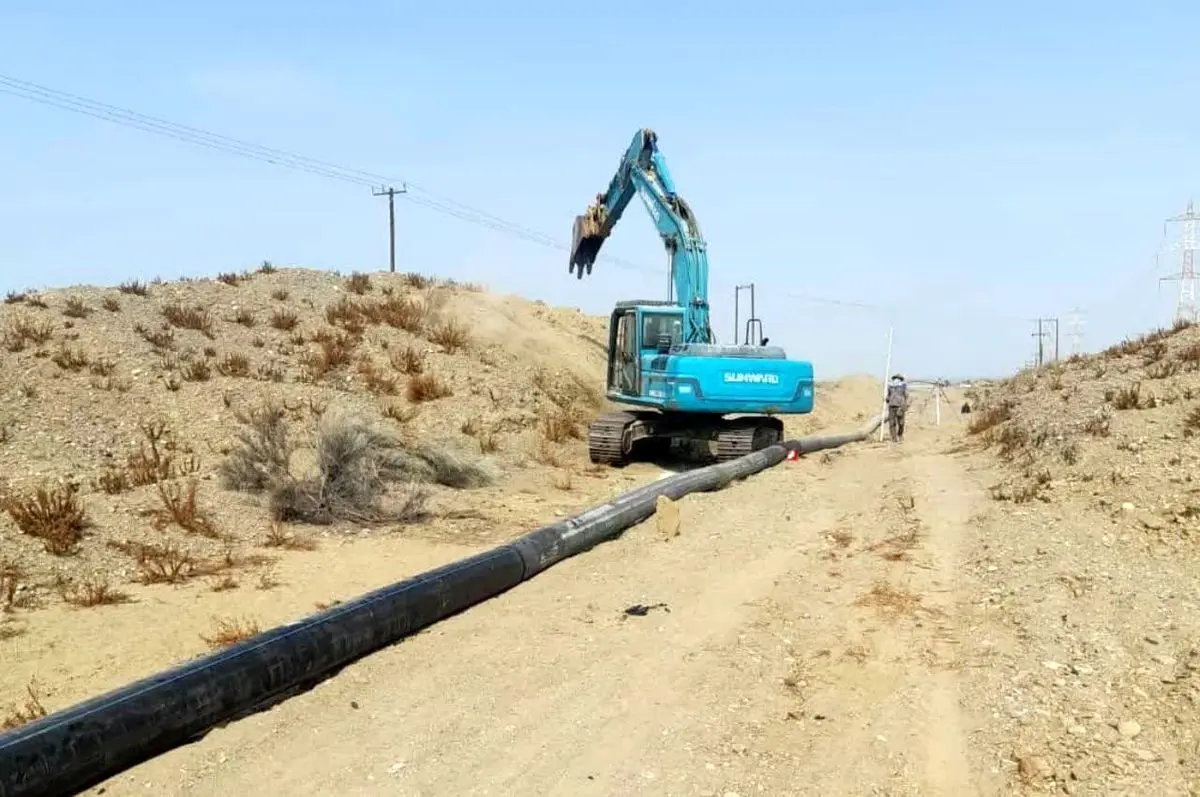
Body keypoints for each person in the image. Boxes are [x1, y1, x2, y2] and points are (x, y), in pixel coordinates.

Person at [885, 373, 909, 443]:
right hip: (891, 406)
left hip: (900, 406)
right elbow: (888, 396)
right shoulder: (890, 387)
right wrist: (887, 399)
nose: (896, 380)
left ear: (900, 380)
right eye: (895, 378)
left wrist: (905, 405)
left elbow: (906, 395)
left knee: (901, 423)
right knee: (892, 423)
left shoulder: (903, 386)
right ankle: (894, 438)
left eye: (898, 379)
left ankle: (900, 435)